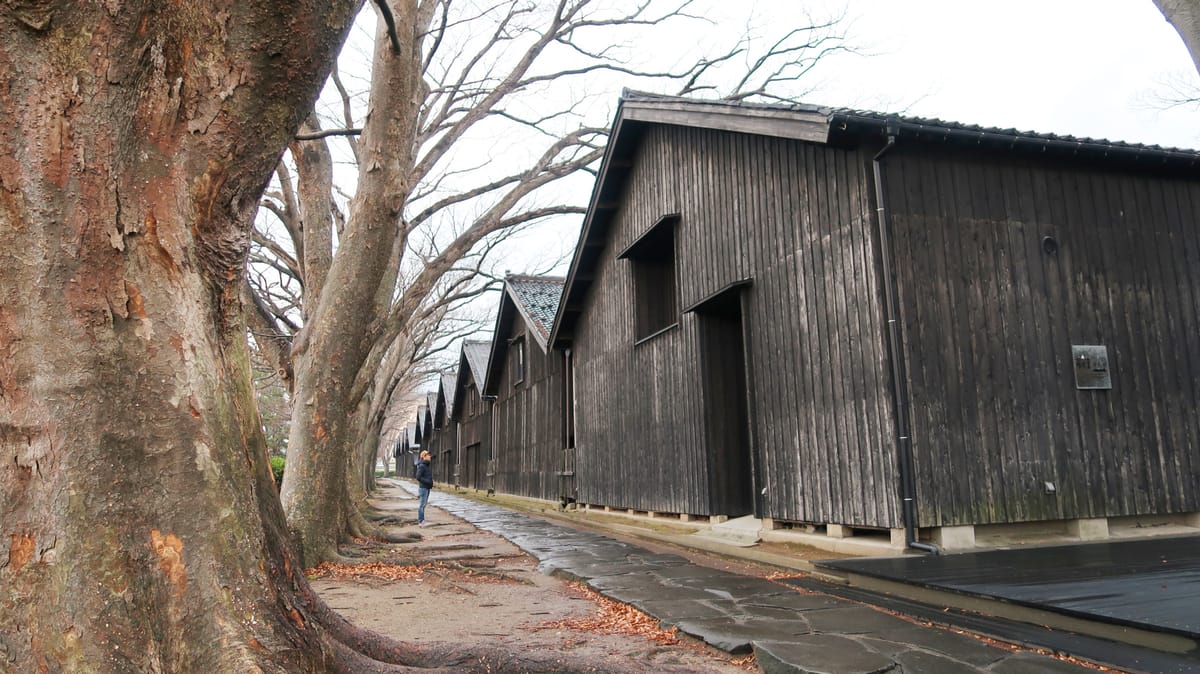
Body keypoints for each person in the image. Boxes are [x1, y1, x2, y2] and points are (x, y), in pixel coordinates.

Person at [415, 450, 433, 526]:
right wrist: (427, 481)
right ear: (424, 456)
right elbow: (418, 477)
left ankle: (422, 520)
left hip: (427, 488)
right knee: (422, 505)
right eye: (428, 455)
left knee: (423, 504)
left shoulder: (426, 465)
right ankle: (421, 521)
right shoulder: (422, 466)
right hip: (423, 488)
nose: (430, 456)